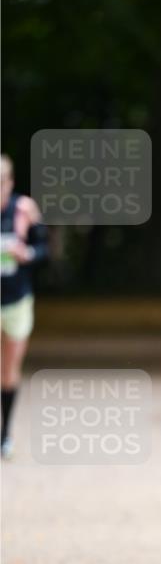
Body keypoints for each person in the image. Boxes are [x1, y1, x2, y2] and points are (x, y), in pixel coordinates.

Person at [1, 154, 49, 458]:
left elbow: (44, 250)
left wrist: (27, 253)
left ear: (10, 183)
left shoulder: (25, 210)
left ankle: (5, 433)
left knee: (9, 370)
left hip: (17, 300)